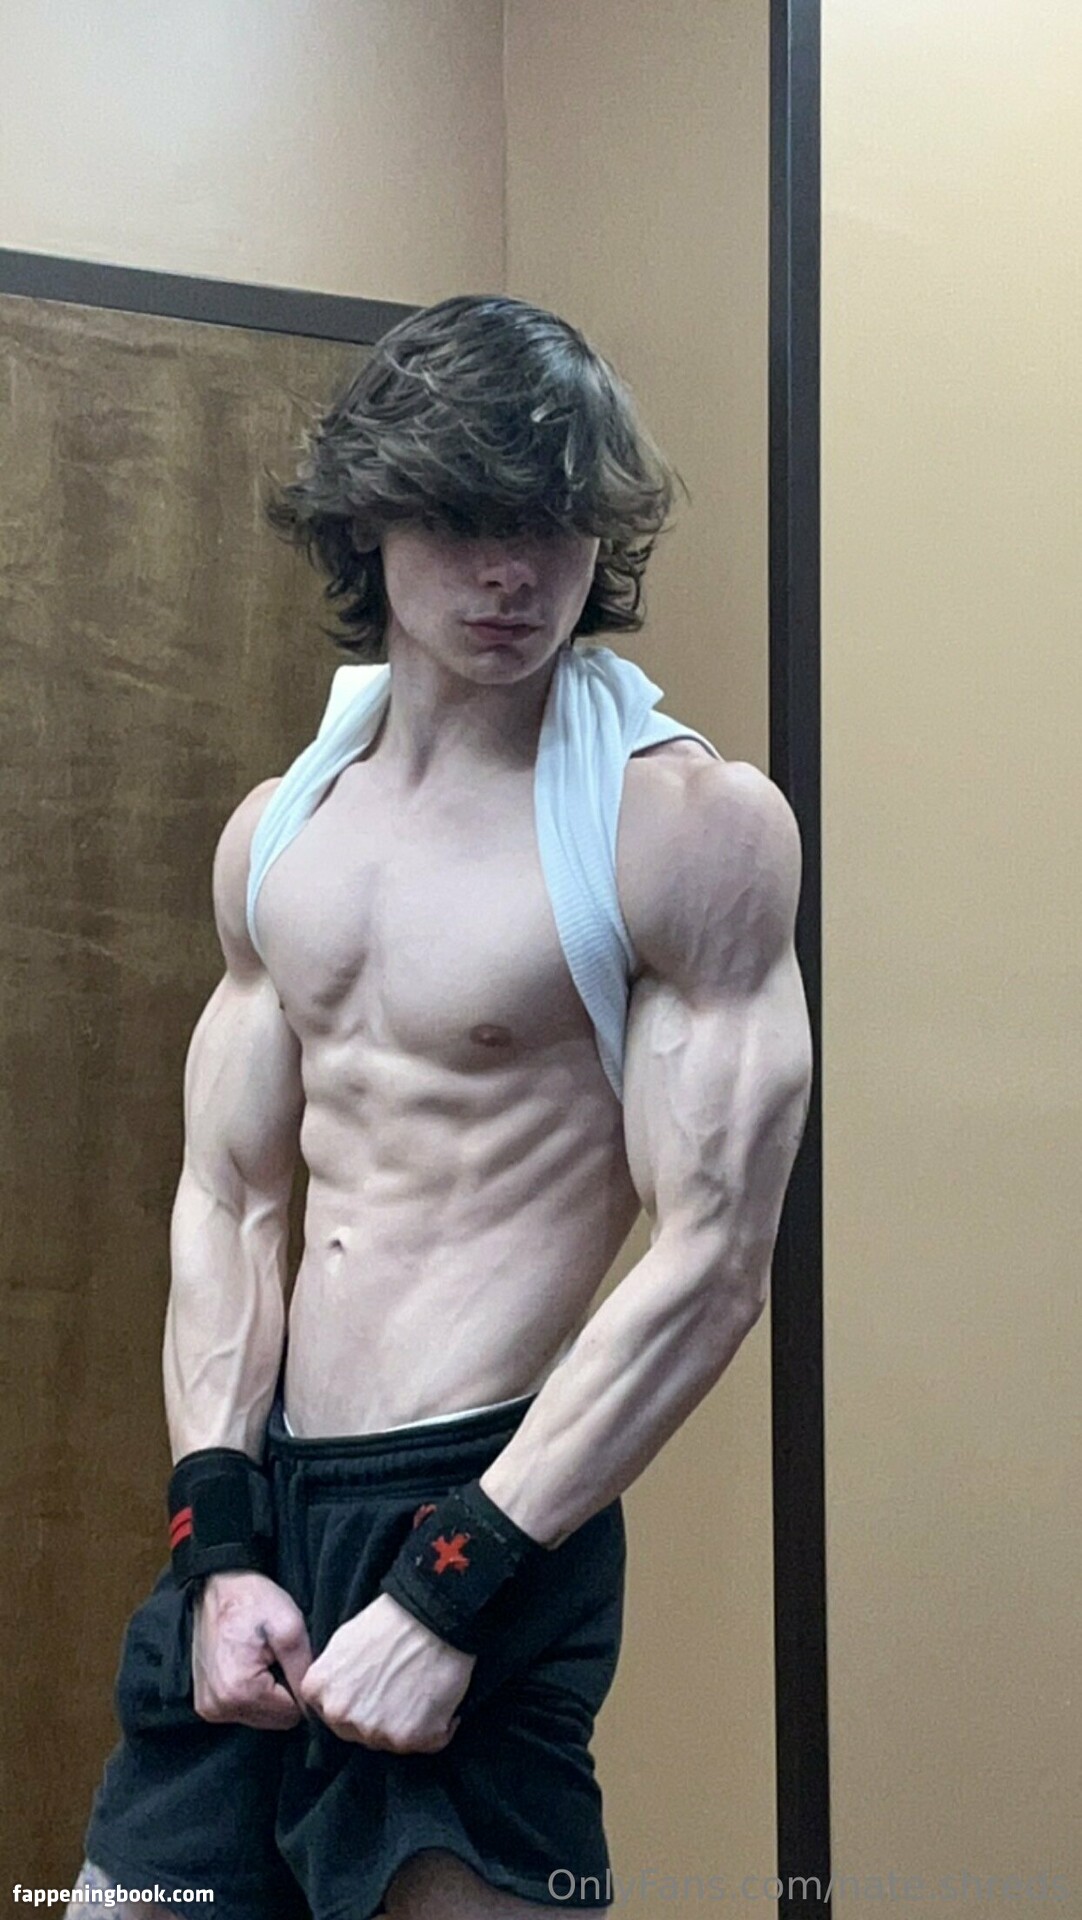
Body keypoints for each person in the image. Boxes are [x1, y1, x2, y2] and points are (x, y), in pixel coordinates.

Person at [69, 294, 813, 1920]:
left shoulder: (683, 830)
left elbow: (713, 1260)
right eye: (467, 520)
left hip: (486, 1496)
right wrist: (217, 1540)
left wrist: (452, 1583)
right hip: (268, 1501)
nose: (514, 573)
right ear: (369, 519)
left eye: (553, 524)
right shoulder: (279, 832)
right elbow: (230, 1200)